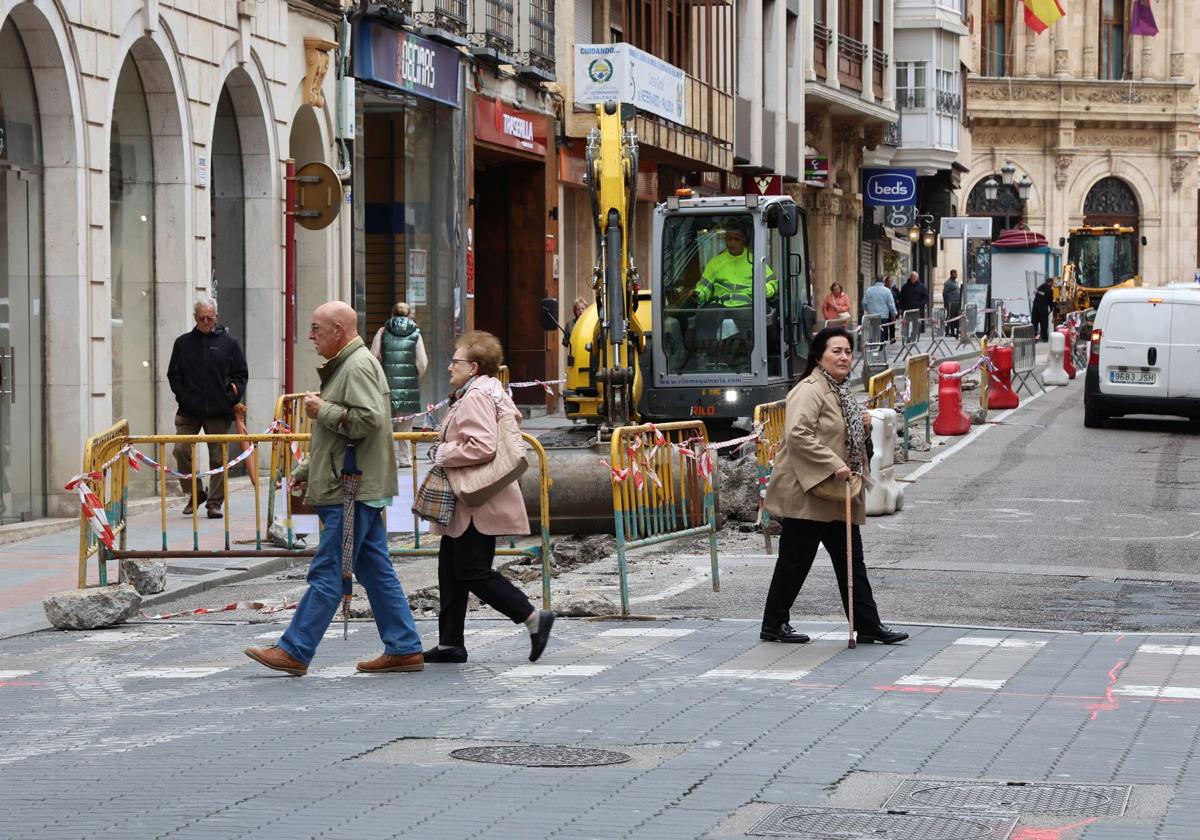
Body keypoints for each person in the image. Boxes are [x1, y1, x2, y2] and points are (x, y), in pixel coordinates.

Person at [244, 301, 424, 677]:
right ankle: (404, 646)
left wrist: (321, 410)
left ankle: (295, 650)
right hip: (355, 483)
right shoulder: (351, 364)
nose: (311, 336)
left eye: (316, 329)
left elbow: (368, 422)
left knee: (328, 570)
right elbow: (340, 436)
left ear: (338, 330)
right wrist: (308, 468)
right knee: (374, 569)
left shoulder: (356, 366)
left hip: (352, 489)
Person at [758, 326, 909, 646]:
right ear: (818, 356)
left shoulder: (841, 391)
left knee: (851, 562)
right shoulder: (809, 390)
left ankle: (867, 625)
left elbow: (845, 437)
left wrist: (864, 428)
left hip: (838, 493)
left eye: (847, 351)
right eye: (836, 351)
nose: (844, 357)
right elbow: (799, 435)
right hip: (810, 492)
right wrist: (834, 464)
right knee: (795, 561)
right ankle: (773, 623)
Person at [423, 330, 554, 665]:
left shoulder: (477, 396)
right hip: (472, 500)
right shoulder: (485, 391)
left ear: (475, 367)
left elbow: (481, 444)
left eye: (456, 361)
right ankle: (450, 643)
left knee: (470, 570)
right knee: (451, 569)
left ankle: (531, 617)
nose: (450, 366)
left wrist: (442, 450)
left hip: (475, 502)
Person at [166, 297, 248, 519]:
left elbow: (241, 374)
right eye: (201, 318)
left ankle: (214, 502)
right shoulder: (182, 343)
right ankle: (195, 492)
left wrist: (231, 395)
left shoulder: (229, 343)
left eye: (209, 318)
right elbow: (173, 375)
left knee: (219, 458)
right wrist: (183, 396)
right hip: (189, 410)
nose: (205, 321)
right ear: (195, 318)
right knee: (180, 451)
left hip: (219, 410)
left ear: (216, 317)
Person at [371, 302, 427, 467]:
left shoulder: (382, 332)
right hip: (408, 387)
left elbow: (373, 357)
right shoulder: (416, 333)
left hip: (385, 386)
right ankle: (404, 459)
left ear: (392, 314)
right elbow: (422, 362)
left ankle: (385, 459)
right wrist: (415, 377)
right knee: (406, 425)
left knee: (385, 424)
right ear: (409, 315)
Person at [694, 225, 777, 308]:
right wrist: (698, 294)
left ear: (743, 240)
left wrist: (764, 290)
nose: (732, 243)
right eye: (729, 239)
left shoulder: (755, 261)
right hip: (720, 307)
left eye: (736, 239)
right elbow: (704, 287)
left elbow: (773, 283)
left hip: (748, 308)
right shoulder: (716, 262)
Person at [1032, 276, 1053, 342]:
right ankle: (1044, 338)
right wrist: (1052, 308)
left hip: (1035, 307)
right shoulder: (1050, 290)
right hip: (1043, 308)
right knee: (1044, 323)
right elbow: (1050, 300)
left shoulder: (1040, 287)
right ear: (1051, 282)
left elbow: (1036, 296)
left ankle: (1033, 337)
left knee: (1034, 322)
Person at [943, 270, 961, 337]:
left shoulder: (955, 282)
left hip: (957, 302)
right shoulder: (948, 283)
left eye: (956, 274)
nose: (955, 275)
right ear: (951, 274)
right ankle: (947, 331)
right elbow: (944, 293)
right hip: (951, 302)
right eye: (954, 274)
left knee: (955, 318)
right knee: (950, 317)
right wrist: (946, 303)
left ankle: (953, 331)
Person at [883, 275, 900, 343]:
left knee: (892, 324)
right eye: (888, 281)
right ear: (885, 282)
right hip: (885, 310)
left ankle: (892, 338)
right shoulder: (883, 290)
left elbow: (899, 300)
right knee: (885, 325)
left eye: (891, 281)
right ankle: (886, 338)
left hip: (892, 310)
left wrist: (897, 311)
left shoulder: (895, 290)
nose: (890, 283)